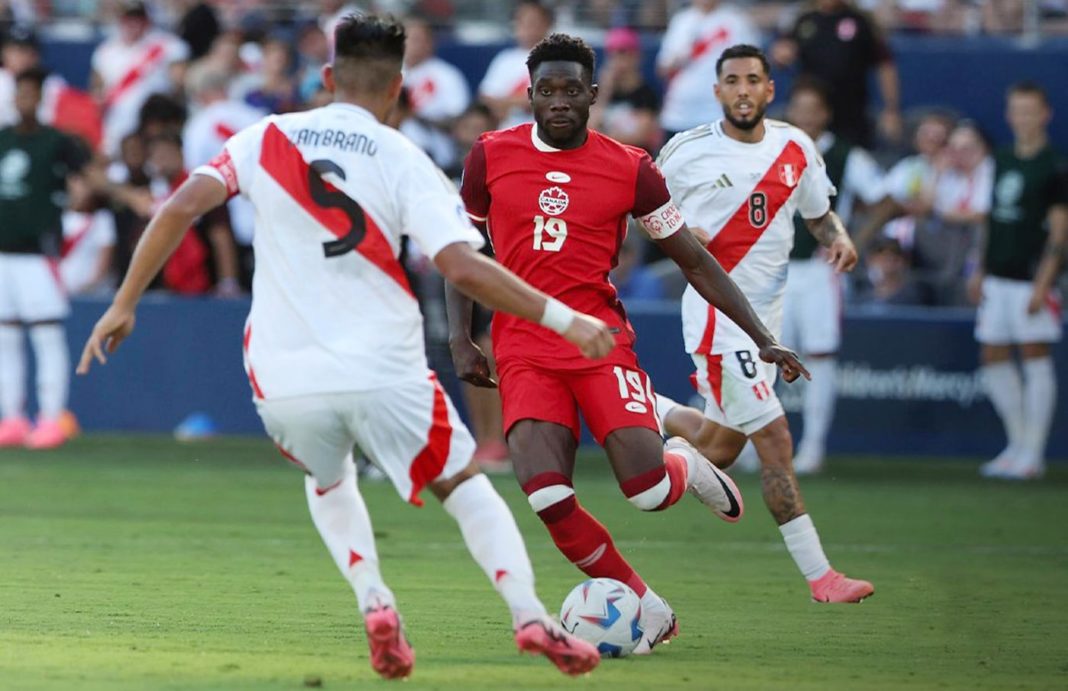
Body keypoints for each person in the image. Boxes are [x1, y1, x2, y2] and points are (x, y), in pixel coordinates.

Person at [76, 15, 603, 681]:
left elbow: (179, 205)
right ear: (396, 90)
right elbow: (462, 268)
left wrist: (124, 303)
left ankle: (375, 600)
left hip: (284, 374)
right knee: (464, 483)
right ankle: (529, 613)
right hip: (385, 368)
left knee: (327, 477)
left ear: (327, 78)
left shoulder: (263, 138)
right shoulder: (403, 157)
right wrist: (563, 316)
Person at [448, 33, 808, 653]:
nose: (558, 101)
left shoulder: (631, 168)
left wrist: (763, 337)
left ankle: (684, 464)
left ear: (593, 93)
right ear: (529, 95)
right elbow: (462, 251)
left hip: (598, 342)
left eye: (571, 90)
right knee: (549, 498)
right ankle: (648, 606)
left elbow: (694, 259)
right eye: (546, 90)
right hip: (523, 347)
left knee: (646, 493)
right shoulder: (489, 155)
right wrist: (460, 336)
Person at [654, 45, 874, 603]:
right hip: (717, 315)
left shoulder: (796, 148)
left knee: (716, 449)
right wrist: (678, 239)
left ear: (770, 90)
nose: (744, 89)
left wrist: (840, 238)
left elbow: (818, 214)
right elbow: (641, 215)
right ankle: (822, 577)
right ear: (718, 91)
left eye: (754, 79)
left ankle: (639, 404)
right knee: (774, 438)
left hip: (766, 323)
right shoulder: (685, 152)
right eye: (733, 80)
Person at [781, 77, 885, 474]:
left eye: (813, 110)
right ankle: (761, 445)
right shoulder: (772, 148)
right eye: (799, 109)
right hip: (775, 268)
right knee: (771, 356)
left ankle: (813, 447)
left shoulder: (846, 156)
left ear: (825, 114)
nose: (805, 117)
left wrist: (851, 240)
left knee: (820, 355)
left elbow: (884, 199)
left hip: (819, 271)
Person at [970, 81, 1067, 481]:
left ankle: (1034, 451)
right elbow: (990, 219)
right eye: (1017, 110)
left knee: (1034, 354)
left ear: (1046, 114)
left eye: (1030, 110)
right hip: (998, 275)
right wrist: (978, 267)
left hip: (1031, 278)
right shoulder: (1002, 160)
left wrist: (1044, 283)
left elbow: (1060, 232)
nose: (1023, 118)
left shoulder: (1054, 165)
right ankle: (1016, 444)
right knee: (992, 353)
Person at [0, 67, 89, 450]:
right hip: (2, 253)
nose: (24, 100)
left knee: (47, 334)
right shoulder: (2, 140)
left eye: (31, 94)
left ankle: (51, 417)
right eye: (20, 93)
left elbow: (86, 182)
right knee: (6, 337)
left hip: (38, 254)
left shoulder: (57, 142)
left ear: (41, 98)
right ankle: (13, 419)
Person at [771, 0, 902, 148]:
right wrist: (781, 55)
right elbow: (781, 52)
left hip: (851, 112)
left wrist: (891, 109)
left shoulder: (861, 20)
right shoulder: (803, 19)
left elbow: (885, 65)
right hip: (812, 112)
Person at [90, 0, 189, 157]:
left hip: (154, 126)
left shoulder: (166, 45)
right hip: (118, 126)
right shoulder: (106, 51)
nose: (133, 24)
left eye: (137, 18)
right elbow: (96, 88)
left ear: (146, 20)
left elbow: (179, 83)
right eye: (128, 18)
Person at [656, 0, 760, 140]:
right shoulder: (681, 21)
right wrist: (684, 54)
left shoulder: (736, 21)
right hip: (679, 113)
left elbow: (752, 67)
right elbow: (662, 68)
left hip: (718, 114)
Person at [478, 0, 553, 129]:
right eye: (521, 21)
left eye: (533, 21)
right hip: (506, 131)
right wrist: (518, 102)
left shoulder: (557, 58)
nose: (527, 27)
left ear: (547, 24)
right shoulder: (504, 59)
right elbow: (486, 97)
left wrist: (507, 102)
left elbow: (548, 98)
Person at [590, 27, 661, 154]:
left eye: (623, 53)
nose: (618, 60)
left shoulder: (646, 94)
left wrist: (603, 137)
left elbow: (640, 136)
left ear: (636, 57)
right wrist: (605, 92)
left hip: (634, 159)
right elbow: (589, 129)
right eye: (613, 54)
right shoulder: (600, 90)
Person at [402, 16, 470, 128]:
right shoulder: (390, 72)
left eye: (416, 39)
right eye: (405, 39)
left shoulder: (446, 75)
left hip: (433, 141)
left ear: (430, 43)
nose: (409, 44)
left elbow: (459, 120)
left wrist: (419, 118)